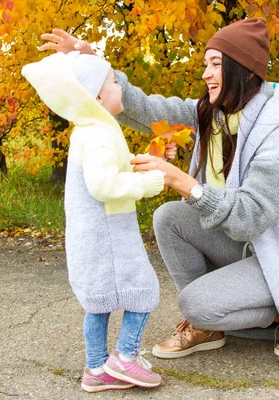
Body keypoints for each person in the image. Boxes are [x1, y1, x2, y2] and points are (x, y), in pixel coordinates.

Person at [39, 18, 279, 399]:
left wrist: (183, 182)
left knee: (196, 303)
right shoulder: (217, 110)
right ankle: (213, 324)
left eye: (215, 65)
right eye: (205, 64)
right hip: (246, 247)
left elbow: (251, 215)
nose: (206, 74)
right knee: (169, 218)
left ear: (242, 69)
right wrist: (96, 66)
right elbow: (147, 109)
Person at [21, 51, 172, 392]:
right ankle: (126, 358)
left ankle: (96, 368)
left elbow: (110, 168)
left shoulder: (90, 130)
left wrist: (150, 158)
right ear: (98, 97)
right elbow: (103, 185)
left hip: (92, 235)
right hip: (108, 235)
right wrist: (147, 184)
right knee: (144, 290)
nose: (121, 86)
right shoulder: (101, 135)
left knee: (99, 301)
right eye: (115, 82)